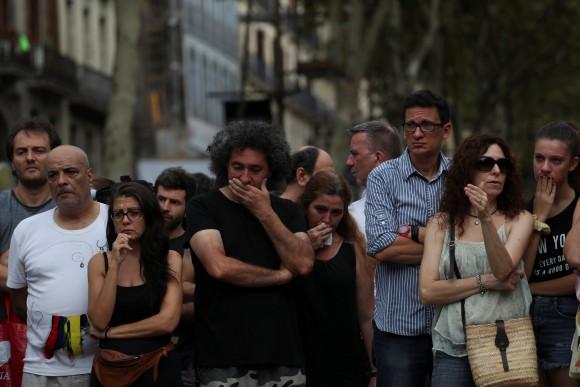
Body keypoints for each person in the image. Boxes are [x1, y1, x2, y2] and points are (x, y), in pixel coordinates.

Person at [187, 120, 314, 387]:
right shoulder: (203, 207)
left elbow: (302, 263)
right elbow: (219, 267)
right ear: (225, 166)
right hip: (223, 357)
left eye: (255, 169)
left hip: (282, 354)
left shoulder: (288, 212)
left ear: (271, 171)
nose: (245, 178)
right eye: (237, 167)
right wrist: (279, 277)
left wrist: (265, 212)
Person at [419, 134, 533, 386]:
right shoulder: (441, 223)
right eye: (485, 163)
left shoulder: (521, 219)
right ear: (466, 169)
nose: (495, 171)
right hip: (453, 346)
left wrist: (485, 218)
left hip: (505, 342)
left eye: (503, 165)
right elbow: (427, 292)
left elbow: (503, 269)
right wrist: (488, 282)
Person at [365, 90, 452, 386]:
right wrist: (449, 246)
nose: (416, 133)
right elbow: (382, 246)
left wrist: (410, 235)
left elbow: (475, 243)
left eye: (426, 125)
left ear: (446, 130)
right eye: (409, 126)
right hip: (398, 331)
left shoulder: (460, 178)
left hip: (452, 327)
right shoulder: (382, 177)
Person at [7, 145, 107, 386]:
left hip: (101, 366)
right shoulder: (27, 230)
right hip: (38, 368)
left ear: (89, 176)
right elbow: (19, 296)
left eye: (70, 172)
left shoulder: (114, 222)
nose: (61, 181)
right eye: (52, 175)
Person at [87, 182, 183, 386]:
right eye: (118, 214)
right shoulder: (100, 262)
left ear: (148, 216)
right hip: (112, 370)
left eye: (134, 212)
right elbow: (99, 321)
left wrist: (111, 333)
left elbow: (167, 321)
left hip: (157, 367)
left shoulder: (170, 258)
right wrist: (114, 265)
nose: (126, 220)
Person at [298, 170, 375, 387]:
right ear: (306, 205)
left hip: (344, 361)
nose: (327, 219)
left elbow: (367, 315)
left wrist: (374, 370)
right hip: (298, 361)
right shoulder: (289, 242)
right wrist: (304, 246)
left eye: (336, 213)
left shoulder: (352, 249)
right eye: (320, 209)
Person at [0, 117, 61, 387]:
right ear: (12, 161)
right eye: (21, 152)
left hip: (62, 340)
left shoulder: (72, 209)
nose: (30, 158)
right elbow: (56, 277)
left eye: (39, 150)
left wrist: (12, 268)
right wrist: (44, 272)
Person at [522, 122, 580, 387]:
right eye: (539, 158)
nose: (545, 167)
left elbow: (575, 281)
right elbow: (522, 270)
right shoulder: (522, 211)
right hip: (524, 320)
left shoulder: (578, 207)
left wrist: (531, 288)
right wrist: (539, 217)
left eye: (555, 160)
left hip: (565, 318)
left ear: (573, 163)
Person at [154, 167, 197, 386]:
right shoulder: (139, 240)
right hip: (141, 356)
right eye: (161, 199)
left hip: (184, 358)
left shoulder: (196, 245)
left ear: (187, 207)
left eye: (174, 202)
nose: (165, 207)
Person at [346, 120, 401, 235]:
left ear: (378, 157)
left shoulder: (352, 217)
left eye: (355, 154)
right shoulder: (350, 215)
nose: (349, 162)